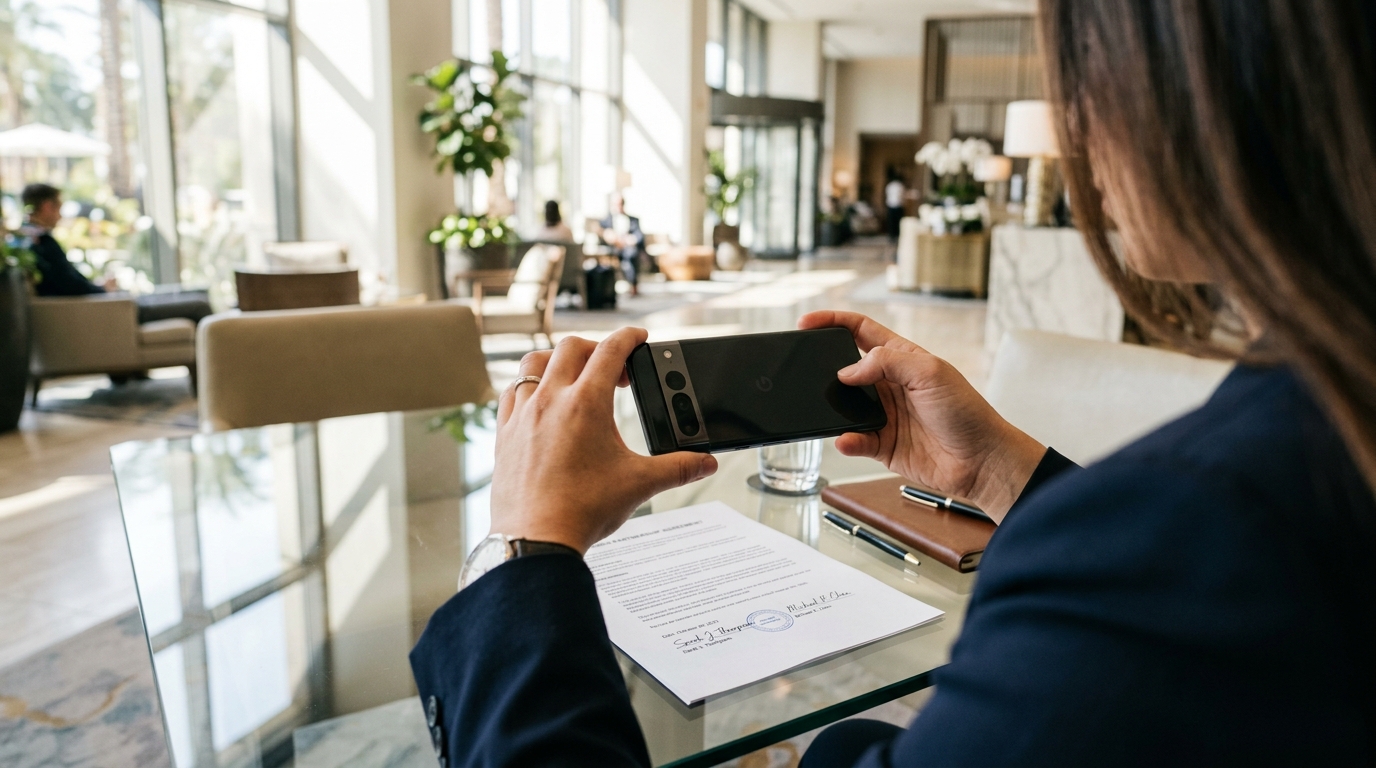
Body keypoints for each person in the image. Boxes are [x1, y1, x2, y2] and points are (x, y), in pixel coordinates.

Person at [408, 2, 1376, 766]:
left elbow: (1169, 586)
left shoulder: (1202, 527)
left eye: (1082, 70)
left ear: (1228, 90)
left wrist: (524, 548)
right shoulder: (1310, 443)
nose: (1077, 126)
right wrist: (1004, 470)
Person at [17, 183, 212, 326]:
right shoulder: (41, 242)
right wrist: (103, 291)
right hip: (108, 308)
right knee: (200, 305)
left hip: (103, 302)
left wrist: (99, 287)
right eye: (58, 207)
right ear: (46, 207)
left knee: (196, 292)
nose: (60, 215)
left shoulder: (22, 242)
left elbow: (65, 282)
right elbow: (70, 286)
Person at [599, 194, 645, 296]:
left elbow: (639, 236)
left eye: (620, 204)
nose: (618, 207)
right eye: (615, 204)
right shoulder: (605, 221)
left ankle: (633, 285)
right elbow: (600, 234)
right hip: (613, 247)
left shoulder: (633, 220)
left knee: (631, 255)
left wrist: (631, 240)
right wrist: (607, 235)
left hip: (628, 247)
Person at [883, 170, 906, 242]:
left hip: (891, 205)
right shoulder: (900, 185)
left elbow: (887, 195)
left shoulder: (889, 185)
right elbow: (902, 195)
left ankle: (892, 236)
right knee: (898, 222)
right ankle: (897, 235)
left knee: (891, 222)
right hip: (898, 205)